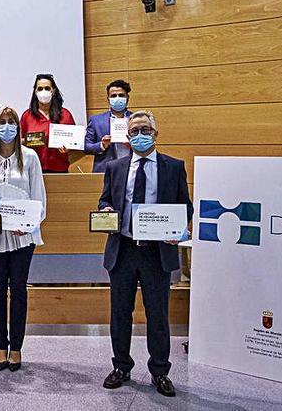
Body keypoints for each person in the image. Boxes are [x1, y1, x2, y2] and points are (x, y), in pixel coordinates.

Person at [98, 111, 192, 397]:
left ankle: (160, 371)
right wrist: (105, 212)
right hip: (123, 250)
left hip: (156, 253)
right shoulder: (115, 167)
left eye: (145, 130)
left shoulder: (174, 167)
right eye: (134, 130)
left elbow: (184, 206)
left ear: (155, 134)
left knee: (158, 315)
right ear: (127, 137)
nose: (140, 135)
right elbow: (105, 201)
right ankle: (122, 366)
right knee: (120, 313)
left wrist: (178, 229)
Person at [0, 107, 46, 372]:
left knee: (19, 290)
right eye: (1, 122)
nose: (6, 127)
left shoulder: (30, 157)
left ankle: (17, 348)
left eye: (11, 122)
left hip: (22, 235)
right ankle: (0, 345)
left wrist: (29, 223)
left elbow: (38, 196)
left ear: (18, 126)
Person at [19, 74, 76, 173]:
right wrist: (31, 140)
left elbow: (75, 143)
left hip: (60, 170)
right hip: (33, 170)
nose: (43, 91)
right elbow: (18, 142)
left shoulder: (65, 115)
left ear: (53, 91)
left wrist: (69, 148)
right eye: (40, 88)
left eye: (47, 88)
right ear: (35, 92)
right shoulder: (27, 116)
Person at [85, 80, 133, 173]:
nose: (117, 98)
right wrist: (102, 145)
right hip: (105, 170)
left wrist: (134, 145)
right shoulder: (96, 120)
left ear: (127, 98)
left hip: (131, 169)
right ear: (108, 99)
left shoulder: (137, 120)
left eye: (121, 95)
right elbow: (86, 147)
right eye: (113, 96)